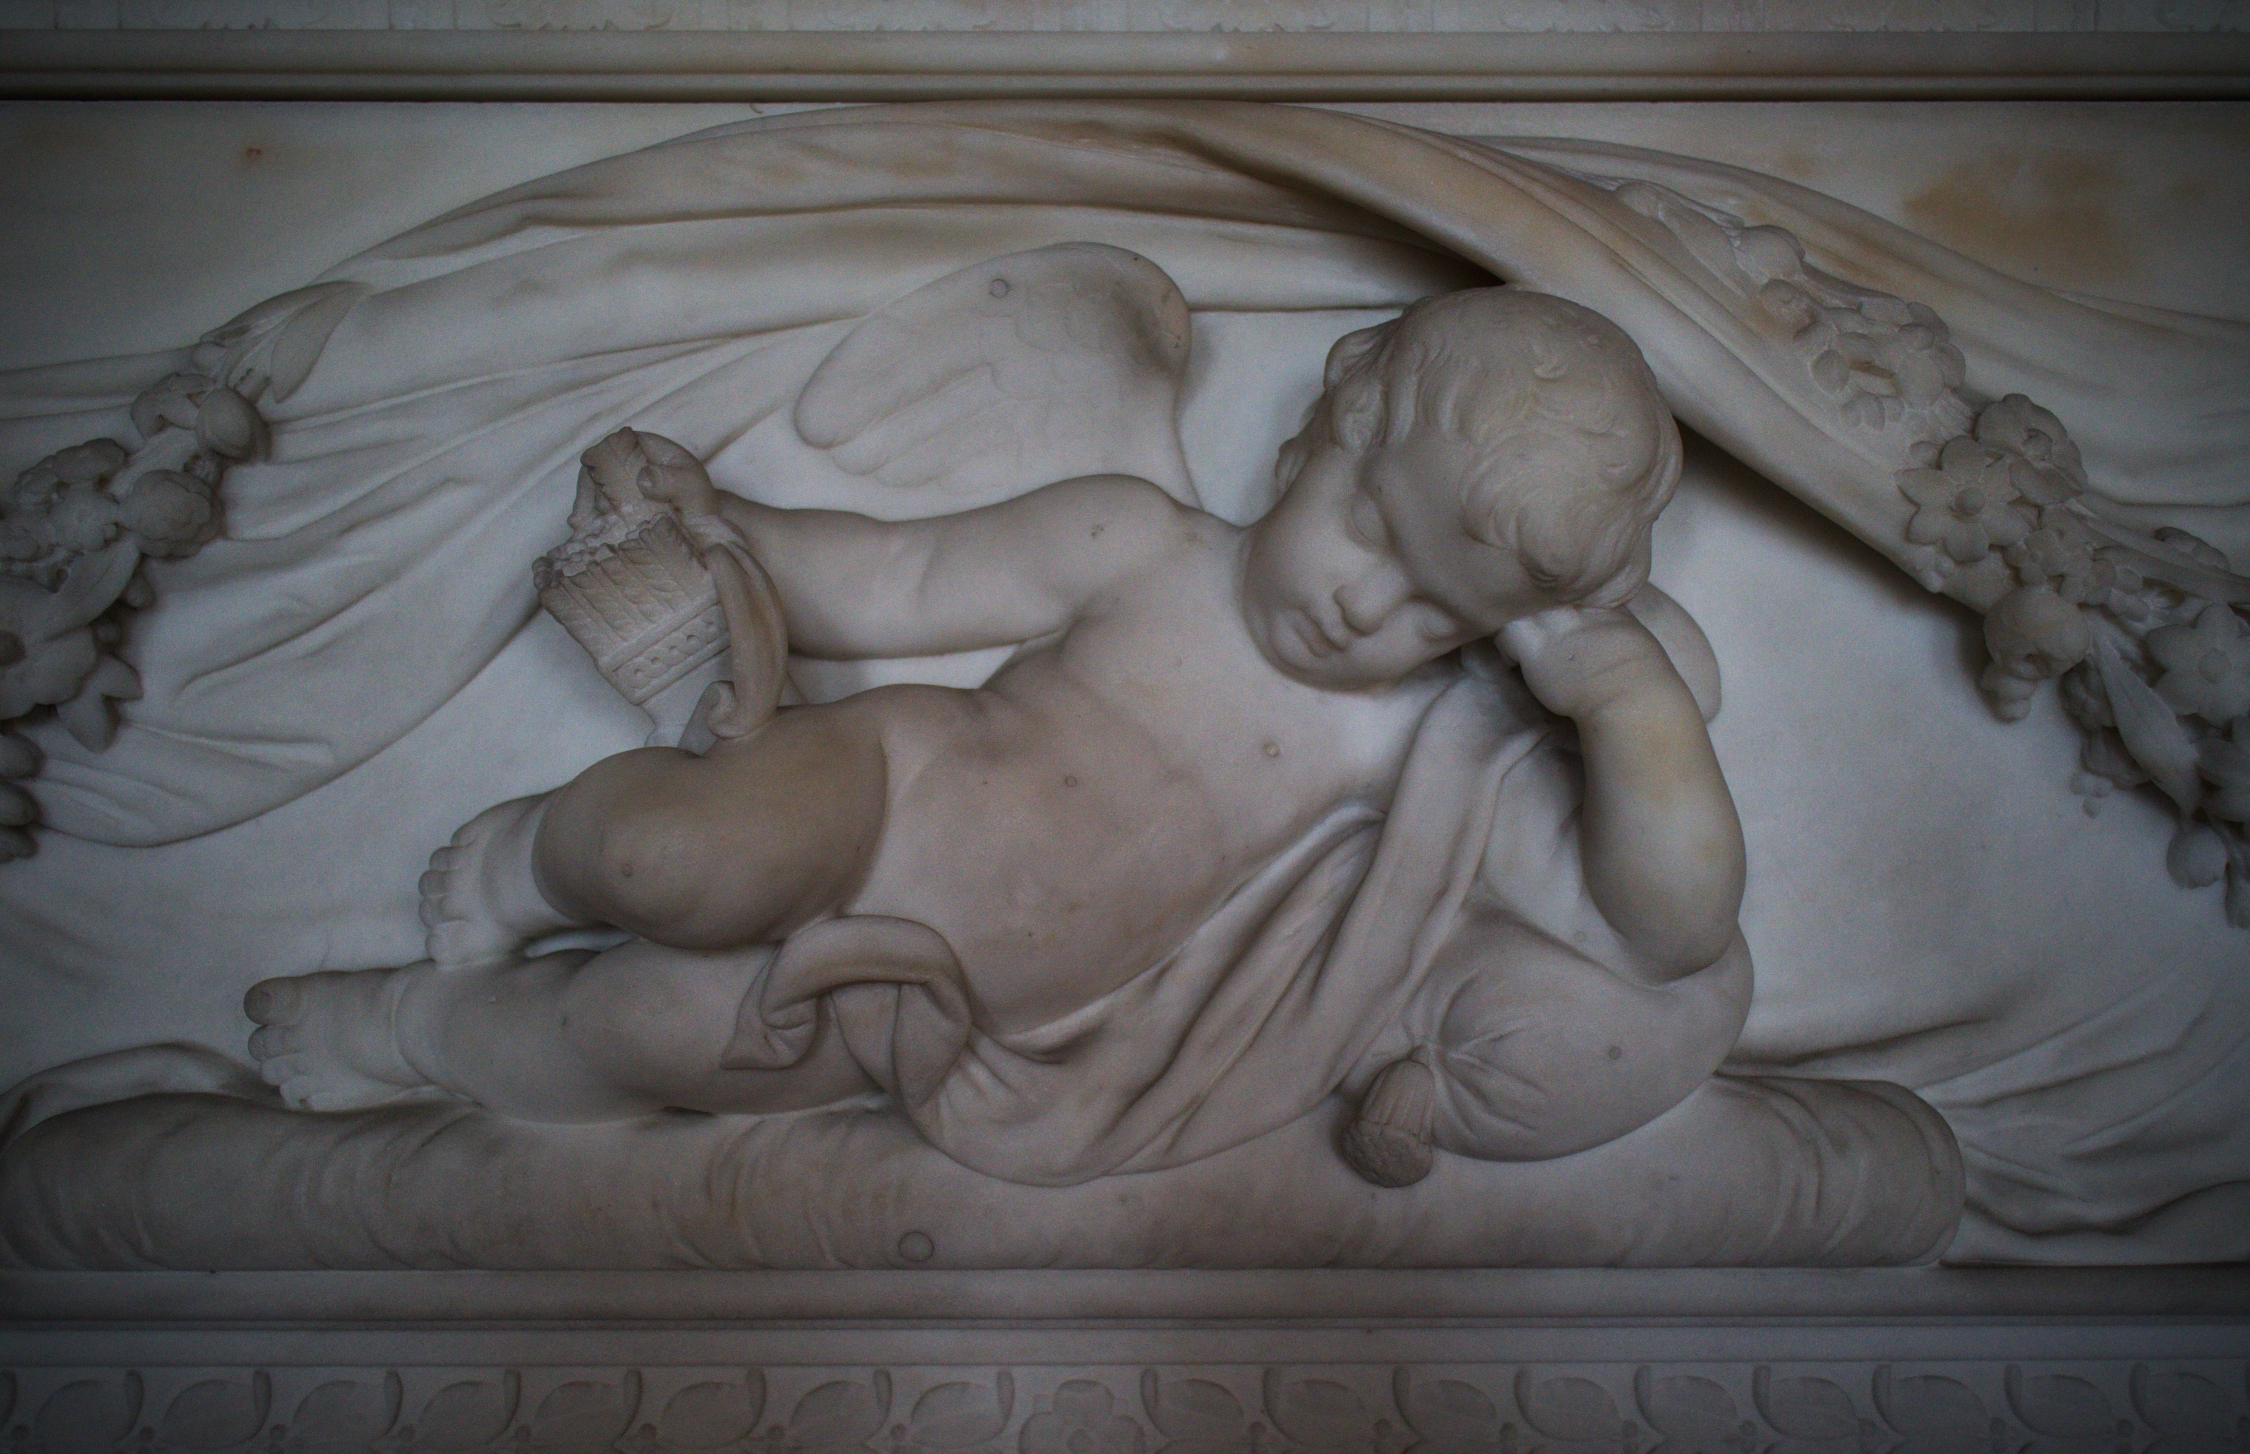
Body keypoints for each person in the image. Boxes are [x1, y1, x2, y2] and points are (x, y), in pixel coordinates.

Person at [242, 287, 1746, 1184]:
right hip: (879, 793)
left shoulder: (1415, 752)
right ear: (1322, 429)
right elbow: (902, 580)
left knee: (640, 1033)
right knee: (663, 858)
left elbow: (1673, 930)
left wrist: (1626, 702)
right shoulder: (1137, 543)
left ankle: (415, 1033)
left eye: (1436, 609)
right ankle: (526, 864)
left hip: (951, 1007)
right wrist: (733, 526)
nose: (1367, 606)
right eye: (1370, 529)